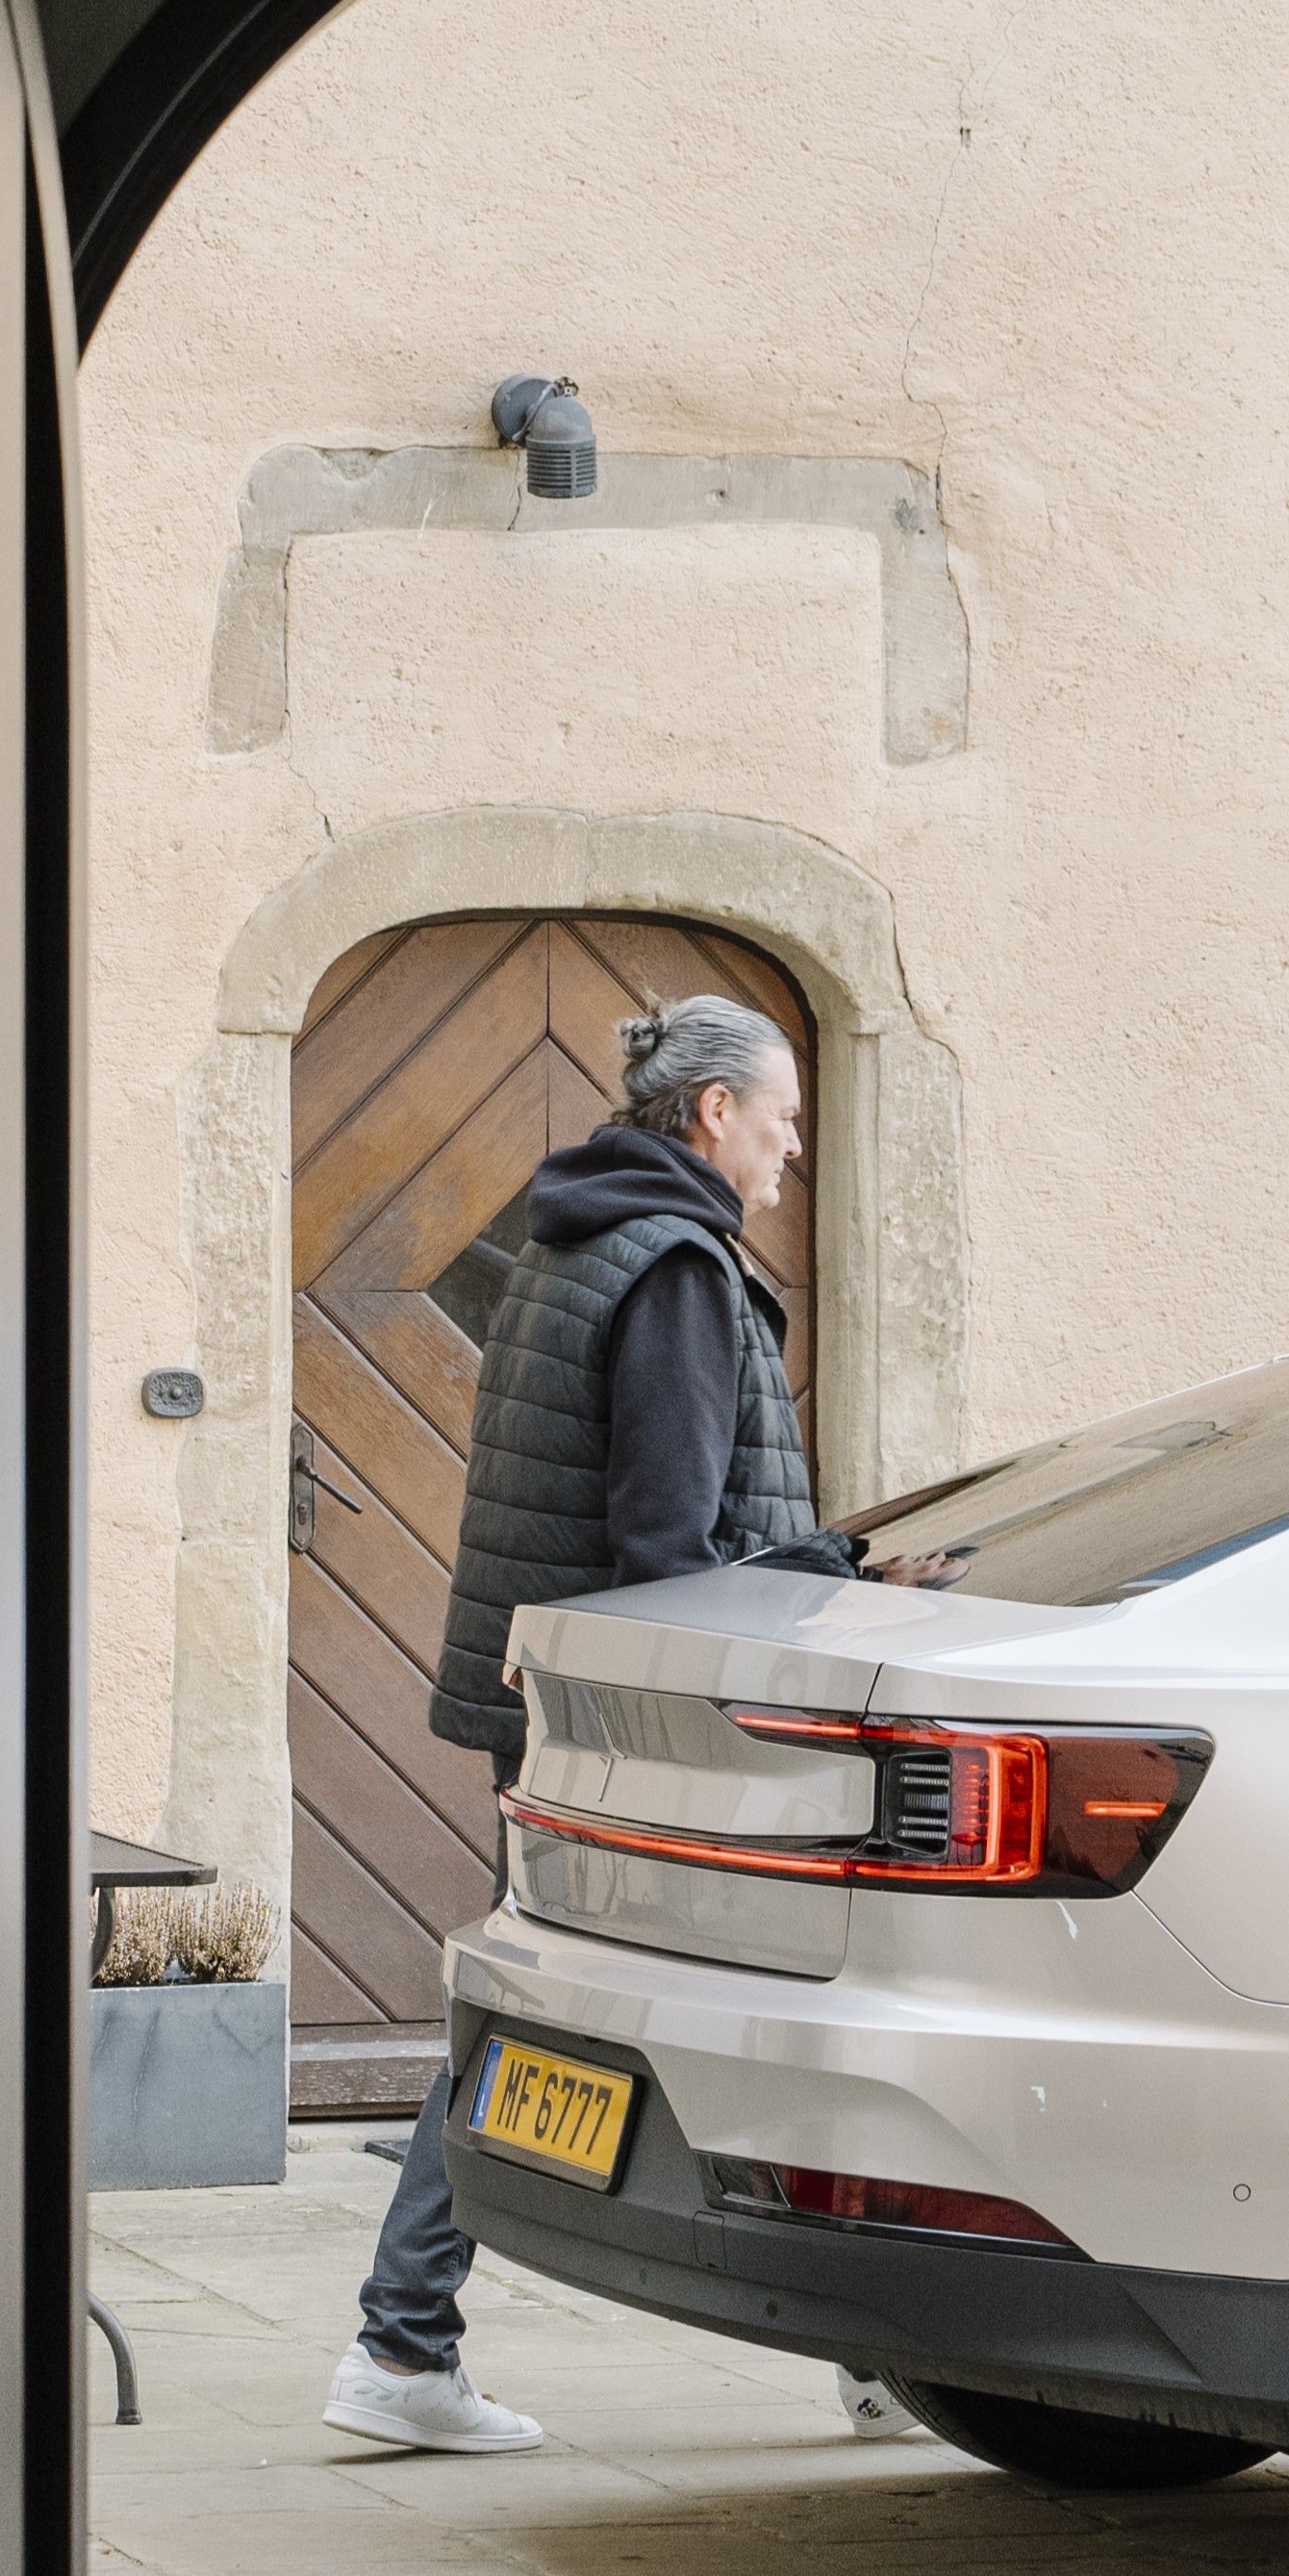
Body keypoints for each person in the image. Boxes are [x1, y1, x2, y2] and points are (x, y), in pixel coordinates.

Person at [319, 993, 829, 2454]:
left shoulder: (580, 1240)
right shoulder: (673, 1264)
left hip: (550, 1694)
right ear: (714, 1112)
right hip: (640, 1716)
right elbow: (669, 1538)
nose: (791, 1151)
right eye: (782, 1121)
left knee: (544, 1998)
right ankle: (401, 2343)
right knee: (706, 2004)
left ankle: (403, 2342)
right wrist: (821, 1578)